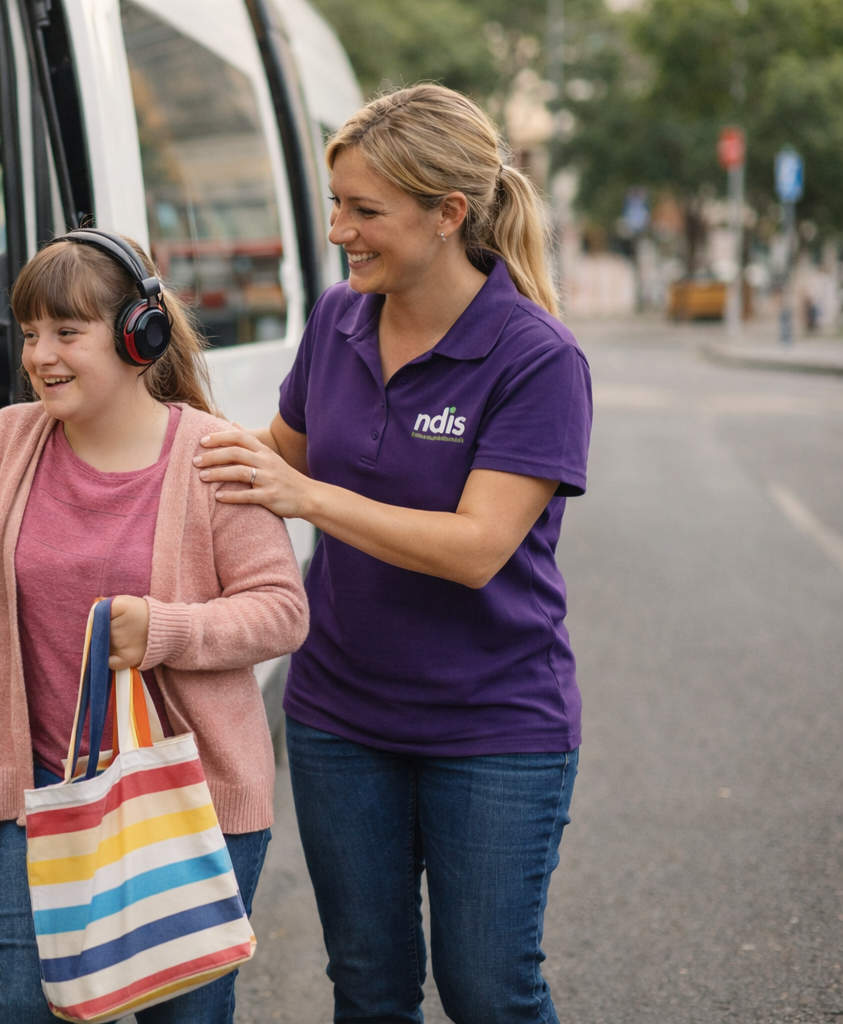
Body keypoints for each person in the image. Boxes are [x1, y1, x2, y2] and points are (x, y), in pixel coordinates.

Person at [0, 231, 309, 1023]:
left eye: (66, 333)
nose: (40, 355)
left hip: (191, 797)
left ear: (137, 335)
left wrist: (166, 630)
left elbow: (282, 609)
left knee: (184, 1015)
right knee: (29, 1007)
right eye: (31, 333)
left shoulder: (212, 454)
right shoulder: (7, 442)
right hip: (46, 795)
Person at [196, 84, 593, 1024]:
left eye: (364, 210)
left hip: (495, 726)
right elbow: (273, 458)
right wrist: (135, 427)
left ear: (448, 215)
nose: (339, 230)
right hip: (340, 714)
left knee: (488, 992)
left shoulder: (536, 358)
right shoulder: (337, 321)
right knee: (369, 989)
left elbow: (476, 549)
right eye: (337, 203)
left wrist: (311, 500)